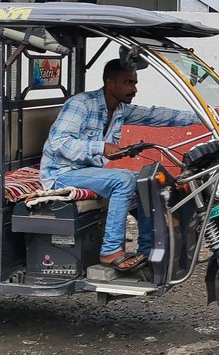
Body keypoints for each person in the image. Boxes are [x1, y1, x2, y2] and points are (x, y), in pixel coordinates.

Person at [40, 59, 196, 273]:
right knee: (123, 180)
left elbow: (155, 115)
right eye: (129, 82)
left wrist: (203, 117)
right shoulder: (82, 104)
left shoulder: (120, 109)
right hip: (60, 174)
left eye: (135, 83)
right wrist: (102, 147)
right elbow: (59, 143)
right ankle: (110, 251)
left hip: (86, 172)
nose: (134, 89)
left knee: (145, 180)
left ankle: (148, 249)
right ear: (110, 83)